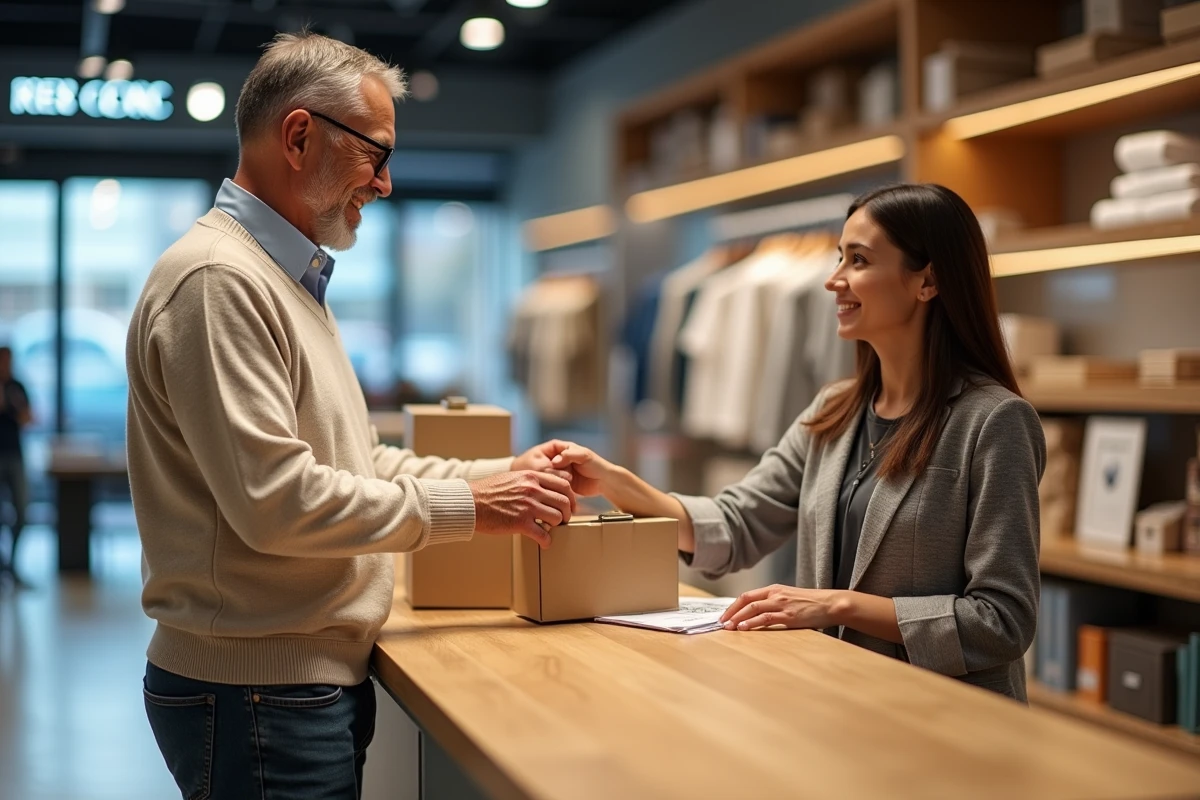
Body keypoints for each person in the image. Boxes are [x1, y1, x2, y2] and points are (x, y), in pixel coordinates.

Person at [127, 32, 577, 799]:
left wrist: (507, 476)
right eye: (376, 153)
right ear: (299, 136)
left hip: (282, 687)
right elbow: (278, 503)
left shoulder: (282, 276)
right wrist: (474, 505)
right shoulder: (219, 280)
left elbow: (356, 461)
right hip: (258, 690)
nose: (387, 184)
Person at [553, 183, 1046, 702]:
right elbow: (737, 522)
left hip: (943, 715)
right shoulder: (834, 411)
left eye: (859, 260)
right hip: (837, 699)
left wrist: (836, 605)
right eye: (839, 258)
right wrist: (613, 481)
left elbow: (1002, 621)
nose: (833, 280)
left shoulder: (995, 422)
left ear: (928, 280)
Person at [0, 346, 32, 589]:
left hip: (15, 457)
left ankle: (13, 565)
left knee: (21, 512)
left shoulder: (17, 387)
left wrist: (12, 406)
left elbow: (28, 418)